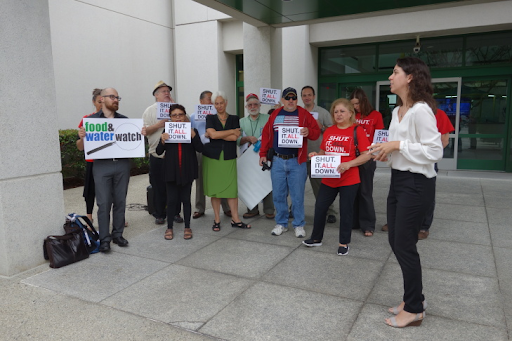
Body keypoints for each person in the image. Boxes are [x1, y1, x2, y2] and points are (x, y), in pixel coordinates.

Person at [371, 57, 443, 328]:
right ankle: (415, 298)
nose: (390, 77)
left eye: (395, 72)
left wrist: (397, 146)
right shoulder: (397, 111)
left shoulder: (421, 111)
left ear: (410, 77)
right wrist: (385, 153)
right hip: (399, 180)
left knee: (404, 245)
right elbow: (399, 149)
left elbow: (435, 152)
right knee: (396, 242)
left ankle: (414, 309)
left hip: (417, 184)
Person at [302, 98, 371, 255]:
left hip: (349, 178)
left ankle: (344, 242)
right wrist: (315, 156)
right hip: (329, 177)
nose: (338, 114)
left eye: (342, 111)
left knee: (346, 210)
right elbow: (323, 152)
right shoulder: (330, 130)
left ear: (350, 113)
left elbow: (367, 155)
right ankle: (316, 238)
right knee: (320, 207)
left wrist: (349, 164)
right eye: (336, 111)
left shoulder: (357, 130)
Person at [381, 108, 454, 240]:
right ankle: (396, 221)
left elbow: (444, 140)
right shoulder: (399, 112)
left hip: (423, 163)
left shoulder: (434, 113)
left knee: (425, 197)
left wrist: (423, 156)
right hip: (401, 163)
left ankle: (423, 226)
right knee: (396, 195)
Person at [259, 87, 320, 238]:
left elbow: (316, 132)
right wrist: (262, 154)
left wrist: (308, 131)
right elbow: (267, 134)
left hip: (296, 161)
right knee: (279, 195)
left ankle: (299, 225)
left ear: (296, 100)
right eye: (288, 98)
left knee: (297, 195)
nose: (291, 101)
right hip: (278, 160)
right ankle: (281, 223)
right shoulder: (275, 114)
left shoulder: (304, 114)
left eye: (293, 98)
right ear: (282, 100)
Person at [77, 88, 133, 253]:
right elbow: (80, 148)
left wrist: (140, 133)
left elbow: (132, 142)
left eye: (117, 97)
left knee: (120, 201)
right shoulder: (90, 121)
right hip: (101, 166)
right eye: (113, 97)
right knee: (103, 203)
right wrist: (82, 137)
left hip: (122, 165)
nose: (116, 100)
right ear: (102, 99)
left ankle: (118, 234)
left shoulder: (125, 121)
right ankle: (104, 239)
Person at [203, 91, 251, 231]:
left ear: (226, 102)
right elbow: (217, 134)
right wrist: (229, 132)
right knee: (215, 190)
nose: (219, 106)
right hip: (212, 158)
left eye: (221, 103)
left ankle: (235, 219)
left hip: (229, 157)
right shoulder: (210, 117)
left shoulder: (234, 118)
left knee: (231, 189)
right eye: (216, 103)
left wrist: (216, 135)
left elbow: (234, 138)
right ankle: (217, 219)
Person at [156, 104, 203, 240]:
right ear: (170, 118)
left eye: (180, 115)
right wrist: (162, 140)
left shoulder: (192, 130)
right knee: (171, 200)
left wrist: (194, 136)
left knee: (186, 200)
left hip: (187, 170)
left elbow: (200, 149)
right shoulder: (167, 130)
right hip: (171, 171)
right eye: (174, 115)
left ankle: (187, 227)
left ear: (184, 116)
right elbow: (159, 151)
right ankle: (169, 227)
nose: (178, 118)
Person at [142, 81, 183, 225]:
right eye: (163, 91)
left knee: (176, 185)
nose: (167, 93)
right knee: (158, 185)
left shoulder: (176, 109)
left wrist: (176, 109)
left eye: (168, 91)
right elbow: (145, 131)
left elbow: (186, 124)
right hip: (156, 154)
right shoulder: (149, 111)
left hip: (174, 155)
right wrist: (160, 125)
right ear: (156, 95)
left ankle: (176, 212)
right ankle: (159, 213)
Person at [190, 91, 230, 219]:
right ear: (201, 101)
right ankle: (200, 207)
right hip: (201, 150)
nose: (212, 102)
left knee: (220, 178)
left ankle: (226, 207)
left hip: (217, 148)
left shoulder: (218, 115)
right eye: (209, 99)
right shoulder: (193, 116)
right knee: (200, 179)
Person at [350, 88, 384, 237]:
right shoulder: (351, 115)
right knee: (352, 191)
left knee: (365, 191)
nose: (355, 107)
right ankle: (353, 221)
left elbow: (380, 138)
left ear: (363, 101)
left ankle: (368, 224)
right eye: (353, 104)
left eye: (357, 103)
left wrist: (375, 155)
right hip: (352, 158)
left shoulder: (376, 115)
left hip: (368, 157)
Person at [301, 86, 336, 223]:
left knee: (321, 187)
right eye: (304, 95)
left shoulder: (322, 112)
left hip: (318, 155)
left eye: (309, 95)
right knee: (297, 185)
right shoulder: (299, 112)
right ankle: (294, 209)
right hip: (301, 156)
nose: (307, 97)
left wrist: (321, 127)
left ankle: (330, 211)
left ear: (314, 96)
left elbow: (333, 131)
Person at [237, 93, 275, 219]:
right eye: (250, 105)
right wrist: (247, 138)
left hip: (264, 156)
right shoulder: (241, 121)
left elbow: (273, 135)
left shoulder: (268, 118)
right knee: (249, 182)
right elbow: (237, 140)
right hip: (248, 158)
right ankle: (252, 210)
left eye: (255, 104)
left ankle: (269, 209)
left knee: (266, 180)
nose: (253, 107)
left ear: (260, 105)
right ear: (246, 107)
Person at [76, 88, 102, 223]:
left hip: (108, 161)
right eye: (99, 101)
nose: (102, 104)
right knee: (90, 189)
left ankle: (116, 216)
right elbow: (80, 147)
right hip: (93, 160)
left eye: (105, 101)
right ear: (94, 102)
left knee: (111, 190)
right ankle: (89, 216)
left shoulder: (114, 120)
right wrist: (81, 138)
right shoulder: (87, 120)